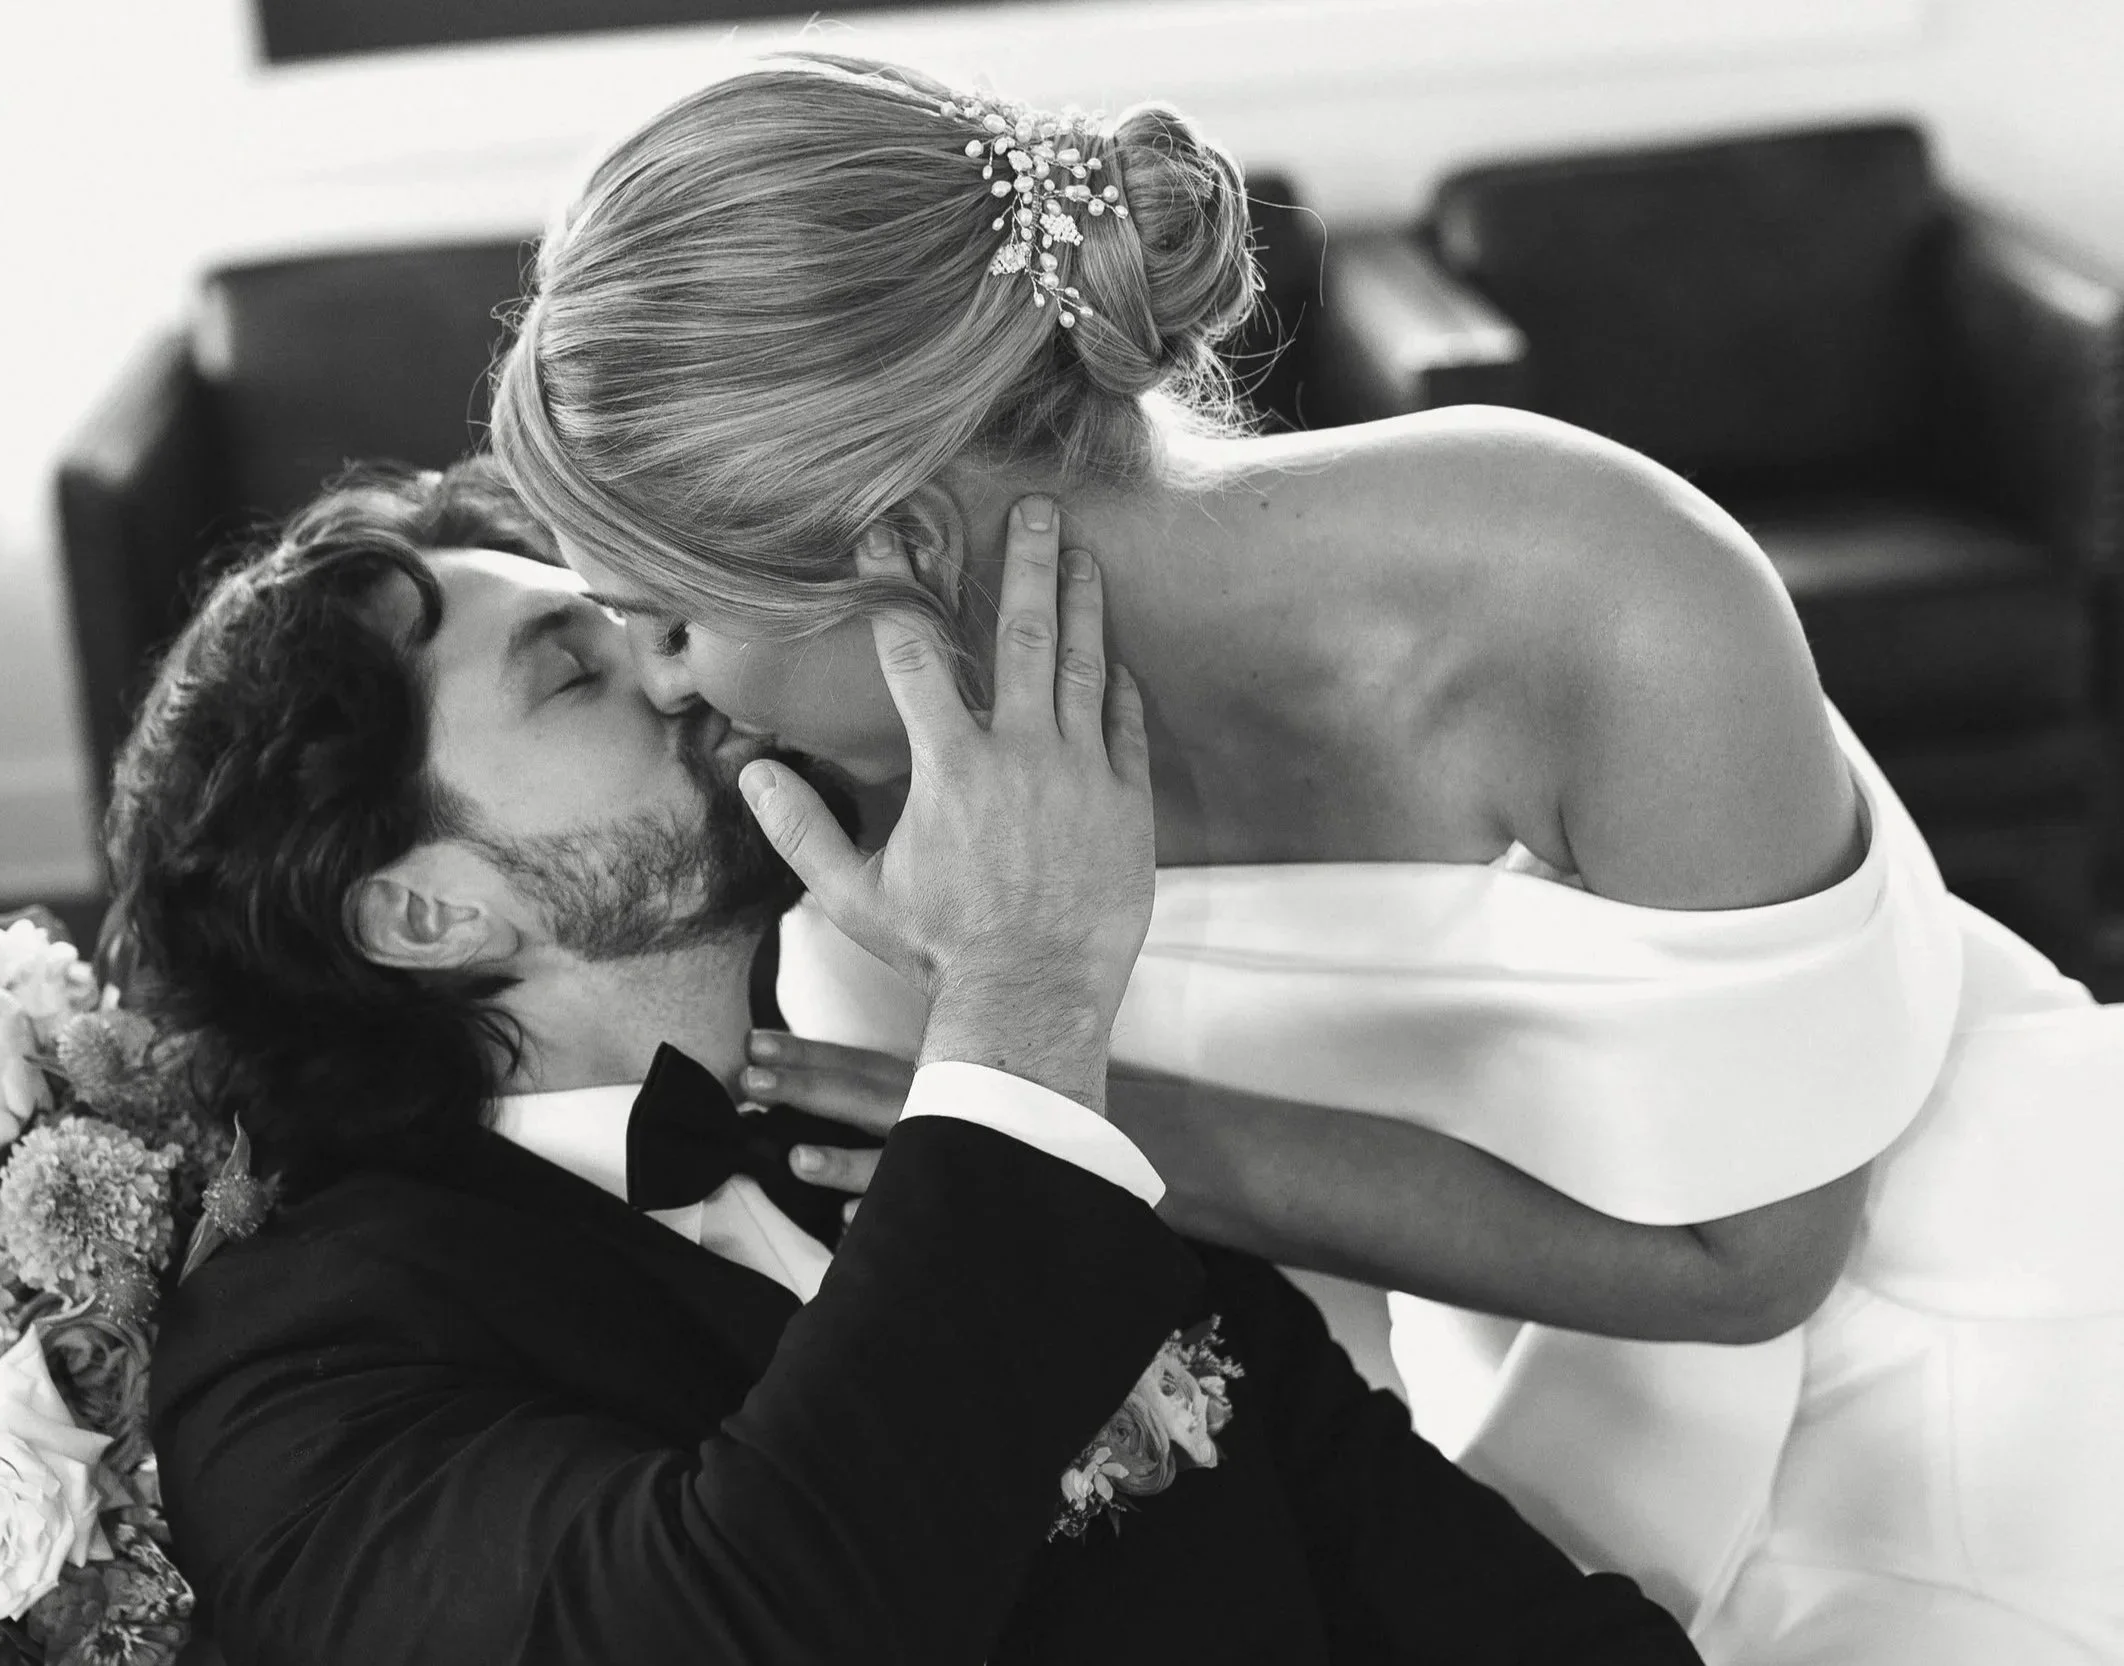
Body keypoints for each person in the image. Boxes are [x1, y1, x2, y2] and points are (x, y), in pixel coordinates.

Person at [484, 52, 2124, 1665]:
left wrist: (1044, 1083)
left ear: (901, 545)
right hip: (1495, 1498)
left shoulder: (1596, 591)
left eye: (669, 621)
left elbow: (1759, 1266)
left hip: (1977, 1370)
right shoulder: (864, 838)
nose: (663, 689)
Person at [120, 462, 1699, 1665]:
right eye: (572, 671)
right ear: (425, 912)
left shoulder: (933, 1100)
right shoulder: (297, 1359)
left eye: (640, 617)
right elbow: (736, 1625)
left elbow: (1423, 1562)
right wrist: (1024, 995)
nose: (675, 668)